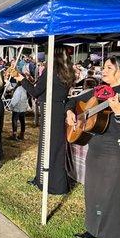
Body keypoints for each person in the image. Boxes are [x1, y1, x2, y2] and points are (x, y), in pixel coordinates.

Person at [66, 56, 120, 238]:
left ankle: (115, 237)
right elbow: (72, 101)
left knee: (114, 195)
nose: (103, 70)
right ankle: (93, 229)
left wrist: (119, 113)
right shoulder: (99, 90)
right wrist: (70, 113)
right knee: (94, 191)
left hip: (116, 150)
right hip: (96, 147)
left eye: (109, 67)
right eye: (103, 66)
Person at [13, 47, 75, 194]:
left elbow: (35, 91)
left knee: (47, 146)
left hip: (50, 110)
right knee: (56, 147)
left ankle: (50, 183)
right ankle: (45, 179)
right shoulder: (68, 72)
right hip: (60, 109)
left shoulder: (51, 71)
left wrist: (22, 80)